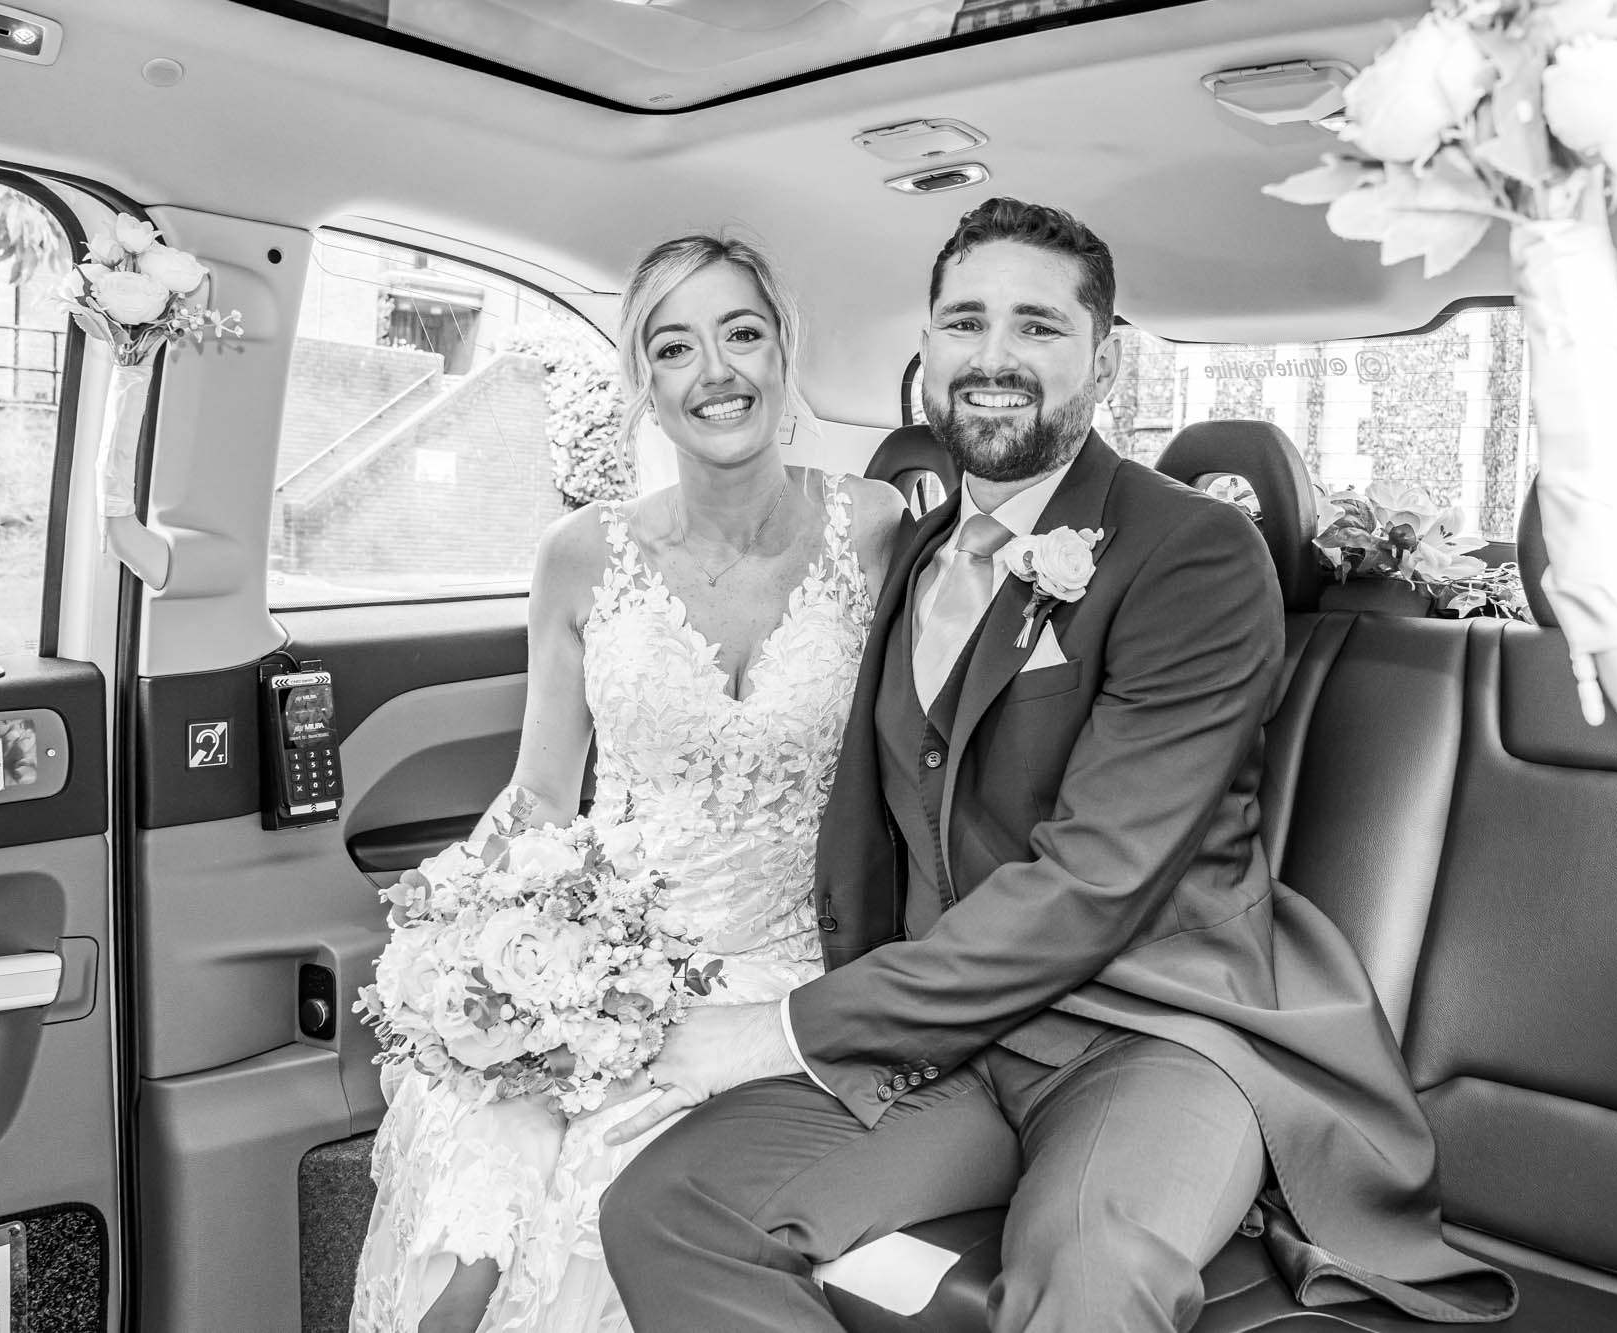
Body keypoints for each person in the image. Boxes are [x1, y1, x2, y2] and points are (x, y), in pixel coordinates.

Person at [598, 198, 1518, 1331]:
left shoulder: (1193, 552)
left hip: (1154, 1032)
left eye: (1036, 326)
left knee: (1088, 1270)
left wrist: (782, 1024)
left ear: (1103, 358)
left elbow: (1096, 879)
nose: (991, 358)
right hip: (956, 1044)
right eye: (963, 323)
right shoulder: (915, 551)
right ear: (925, 349)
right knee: (670, 1203)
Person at [347, 233, 904, 1333]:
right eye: (675, 346)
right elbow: (541, 799)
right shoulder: (578, 555)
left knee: (603, 1208)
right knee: (475, 1201)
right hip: (596, 961)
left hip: (781, 977)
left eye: (742, 333)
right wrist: (462, 943)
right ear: (641, 383)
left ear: (785, 352)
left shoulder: (877, 530)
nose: (716, 371)